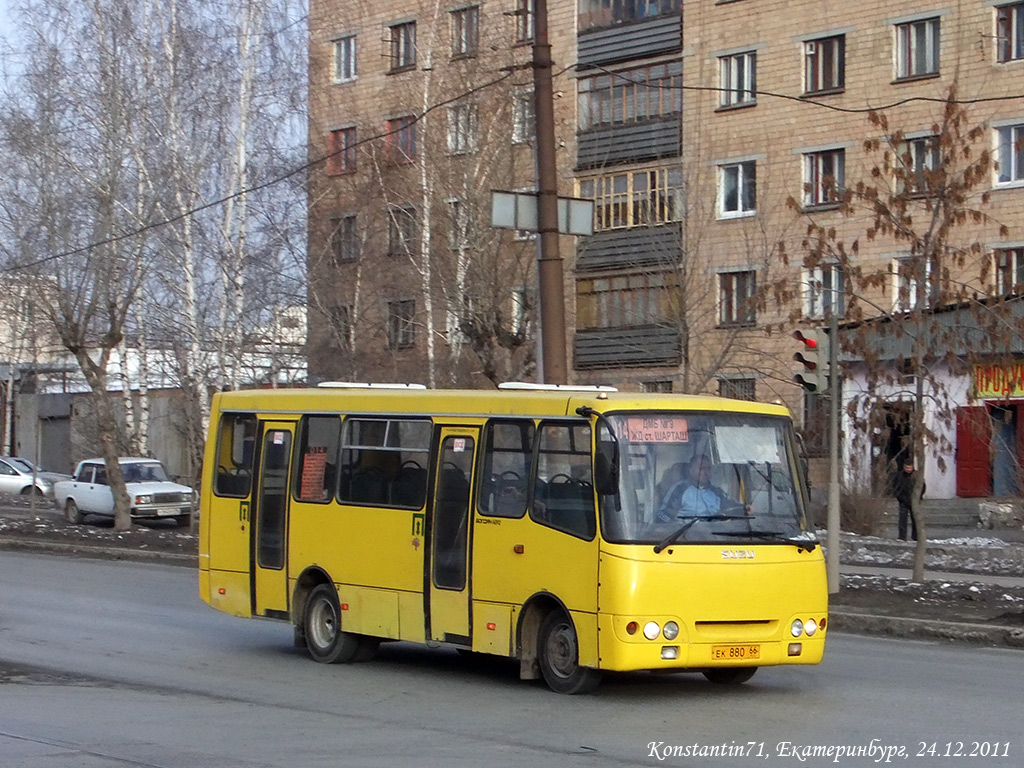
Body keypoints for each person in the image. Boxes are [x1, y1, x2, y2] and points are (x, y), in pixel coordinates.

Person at [656, 454, 732, 521]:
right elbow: (662, 515)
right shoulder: (680, 489)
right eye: (701, 469)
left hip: (716, 534)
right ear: (691, 470)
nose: (706, 473)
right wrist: (673, 524)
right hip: (686, 534)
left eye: (708, 469)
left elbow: (733, 509)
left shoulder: (718, 492)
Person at [893, 459, 924, 541]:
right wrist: (899, 497)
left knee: (915, 519)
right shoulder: (899, 476)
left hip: (914, 500)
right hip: (903, 500)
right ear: (904, 467)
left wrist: (918, 497)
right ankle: (902, 536)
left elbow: (922, 487)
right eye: (907, 468)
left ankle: (915, 536)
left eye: (910, 468)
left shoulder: (916, 475)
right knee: (902, 519)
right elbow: (895, 487)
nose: (908, 469)